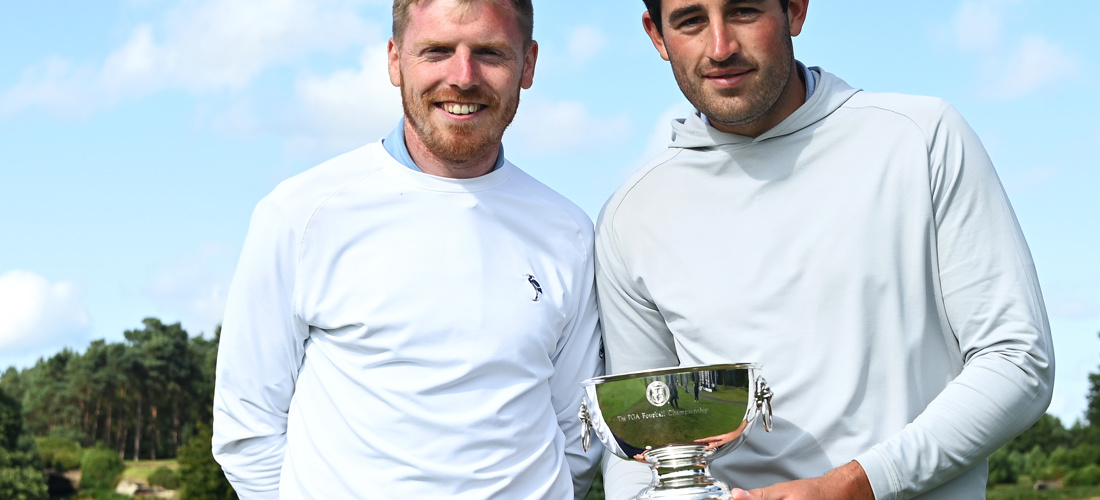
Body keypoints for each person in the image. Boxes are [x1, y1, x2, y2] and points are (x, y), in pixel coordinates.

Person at [595, 0, 1054, 499]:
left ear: (794, 10)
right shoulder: (631, 216)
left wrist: (859, 484)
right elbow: (639, 448)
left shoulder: (920, 137)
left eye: (744, 11)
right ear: (657, 36)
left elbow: (1017, 359)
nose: (721, 47)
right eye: (691, 21)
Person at [211, 0, 603, 498]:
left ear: (528, 65)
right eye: (436, 50)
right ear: (395, 60)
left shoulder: (568, 230)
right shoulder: (301, 214)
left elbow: (578, 431)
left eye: (490, 53)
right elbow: (248, 429)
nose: (463, 77)